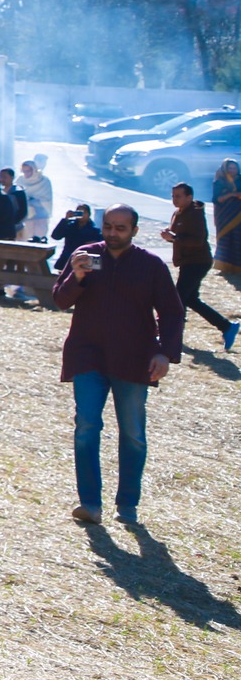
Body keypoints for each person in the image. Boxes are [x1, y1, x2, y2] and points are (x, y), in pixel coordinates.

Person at [53, 206, 183, 525]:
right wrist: (77, 276)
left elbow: (172, 311)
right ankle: (90, 503)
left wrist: (164, 353)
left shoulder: (150, 265)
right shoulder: (85, 256)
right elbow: (59, 299)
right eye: (108, 226)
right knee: (86, 427)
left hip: (134, 359)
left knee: (133, 433)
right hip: (88, 355)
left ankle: (127, 504)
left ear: (135, 231)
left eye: (121, 228)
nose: (113, 233)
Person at [161, 182, 239, 350]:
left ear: (189, 197)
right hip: (188, 262)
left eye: (178, 196)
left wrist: (173, 238)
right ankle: (226, 327)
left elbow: (197, 241)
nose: (174, 199)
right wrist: (170, 235)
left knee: (178, 298)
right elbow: (180, 235)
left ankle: (172, 335)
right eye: (173, 196)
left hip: (198, 262)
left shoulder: (195, 214)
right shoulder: (179, 212)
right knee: (190, 299)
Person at [52, 203, 102, 271]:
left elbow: (101, 248)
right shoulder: (70, 226)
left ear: (89, 214)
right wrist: (65, 220)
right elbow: (55, 236)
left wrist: (93, 244)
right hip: (66, 260)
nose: (81, 215)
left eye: (83, 212)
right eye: (79, 212)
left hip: (84, 262)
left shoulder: (95, 231)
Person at [213, 159, 241, 277]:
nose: (232, 171)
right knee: (225, 239)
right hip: (224, 216)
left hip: (238, 215)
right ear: (225, 169)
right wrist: (232, 194)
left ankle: (238, 267)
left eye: (235, 168)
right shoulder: (219, 182)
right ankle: (225, 266)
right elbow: (216, 199)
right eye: (230, 168)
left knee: (238, 239)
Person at [18, 158, 54, 240]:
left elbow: (47, 199)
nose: (26, 173)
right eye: (24, 171)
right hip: (25, 217)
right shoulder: (20, 180)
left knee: (39, 239)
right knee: (25, 239)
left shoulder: (44, 181)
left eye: (28, 171)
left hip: (40, 216)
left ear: (34, 170)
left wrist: (34, 201)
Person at [0, 167, 28, 236]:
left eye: (5, 177)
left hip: (16, 227)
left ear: (11, 178)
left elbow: (23, 211)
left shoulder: (18, 192)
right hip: (2, 227)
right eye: (1, 177)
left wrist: (12, 222)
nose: (2, 179)